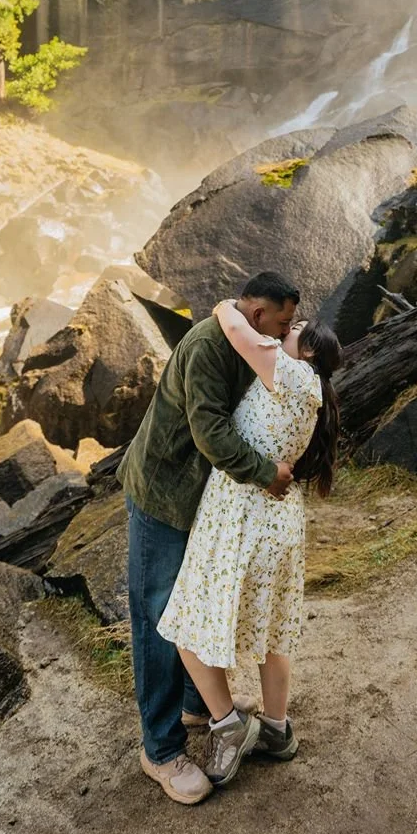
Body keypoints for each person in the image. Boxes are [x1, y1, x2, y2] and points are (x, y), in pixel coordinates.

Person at [116, 271, 302, 806]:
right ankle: (160, 749)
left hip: (203, 501)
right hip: (162, 495)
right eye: (283, 322)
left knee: (201, 601)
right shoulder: (207, 349)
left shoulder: (250, 335)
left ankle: (200, 704)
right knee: (157, 617)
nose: (286, 331)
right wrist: (266, 472)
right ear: (259, 313)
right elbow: (211, 433)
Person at [157, 300, 341, 792]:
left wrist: (224, 305)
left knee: (187, 626)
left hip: (243, 518)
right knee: (272, 631)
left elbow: (239, 331)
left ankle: (226, 724)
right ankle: (277, 731)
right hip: (278, 522)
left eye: (294, 329)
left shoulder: (295, 376)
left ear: (308, 355)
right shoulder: (310, 390)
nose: (285, 331)